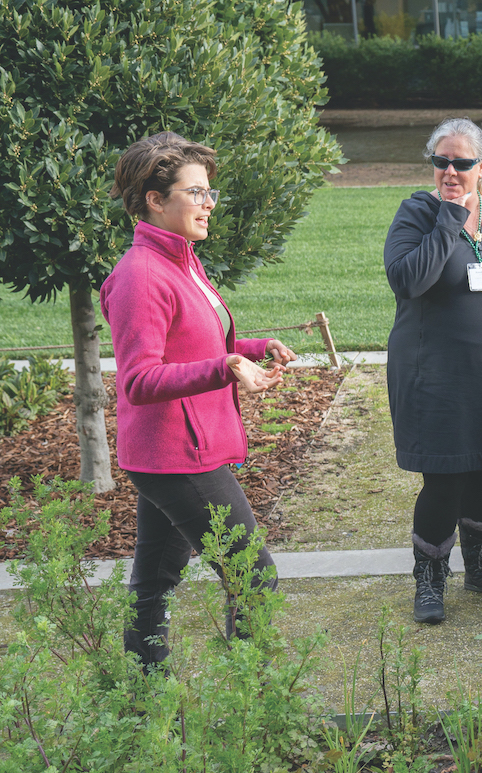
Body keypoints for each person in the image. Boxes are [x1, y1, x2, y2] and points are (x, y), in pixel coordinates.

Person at [101, 132, 297, 671]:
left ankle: (140, 690)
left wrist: (251, 348)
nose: (208, 205)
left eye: (210, 194)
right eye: (195, 193)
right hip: (174, 456)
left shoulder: (180, 259)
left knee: (155, 579)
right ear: (155, 200)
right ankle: (249, 698)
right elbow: (139, 379)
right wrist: (228, 368)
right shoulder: (141, 275)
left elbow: (193, 339)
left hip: (174, 451)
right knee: (252, 574)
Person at [384, 118, 482, 623]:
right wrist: (449, 219)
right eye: (441, 161)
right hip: (433, 372)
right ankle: (430, 580)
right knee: (443, 477)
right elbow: (408, 280)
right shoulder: (417, 213)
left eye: (462, 163)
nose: (450, 170)